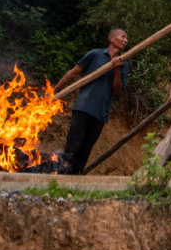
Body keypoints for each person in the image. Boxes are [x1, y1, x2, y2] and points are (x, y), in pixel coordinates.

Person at [53, 28, 130, 175]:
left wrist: (117, 70)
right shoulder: (95, 54)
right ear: (112, 39)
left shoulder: (124, 64)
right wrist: (55, 91)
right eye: (123, 37)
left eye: (126, 38)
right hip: (84, 106)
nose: (126, 40)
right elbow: (73, 72)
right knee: (73, 145)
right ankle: (61, 178)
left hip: (100, 112)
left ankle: (74, 180)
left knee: (85, 149)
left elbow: (116, 90)